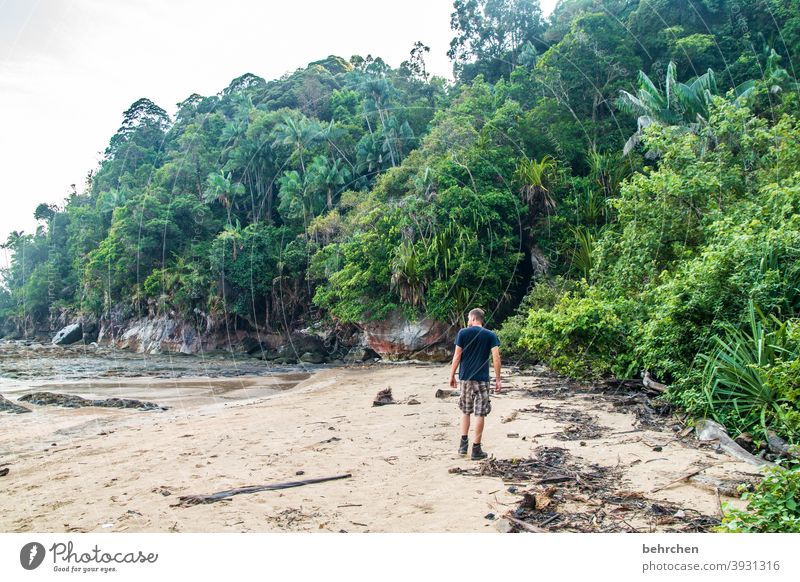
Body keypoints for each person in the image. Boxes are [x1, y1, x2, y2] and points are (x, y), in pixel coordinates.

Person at [448, 307, 501, 460]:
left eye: (468, 319)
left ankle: (463, 446)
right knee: (480, 413)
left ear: (472, 318)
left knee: (465, 411)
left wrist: (452, 375)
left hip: (465, 378)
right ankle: (476, 449)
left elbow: (457, 357)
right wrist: (498, 379)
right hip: (482, 379)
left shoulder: (463, 333)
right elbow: (496, 358)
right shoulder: (490, 335)